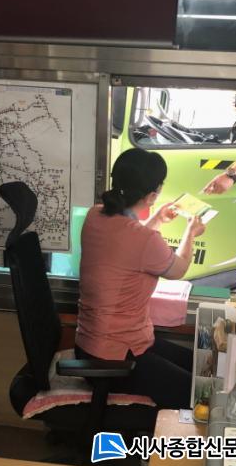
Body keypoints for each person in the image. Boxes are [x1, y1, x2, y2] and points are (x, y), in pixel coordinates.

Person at [75, 148, 205, 409]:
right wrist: (190, 233)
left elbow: (128, 245)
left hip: (91, 346)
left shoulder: (94, 216)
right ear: (153, 195)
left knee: (199, 365)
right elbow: (178, 269)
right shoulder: (144, 239)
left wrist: (156, 219)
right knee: (197, 392)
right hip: (114, 358)